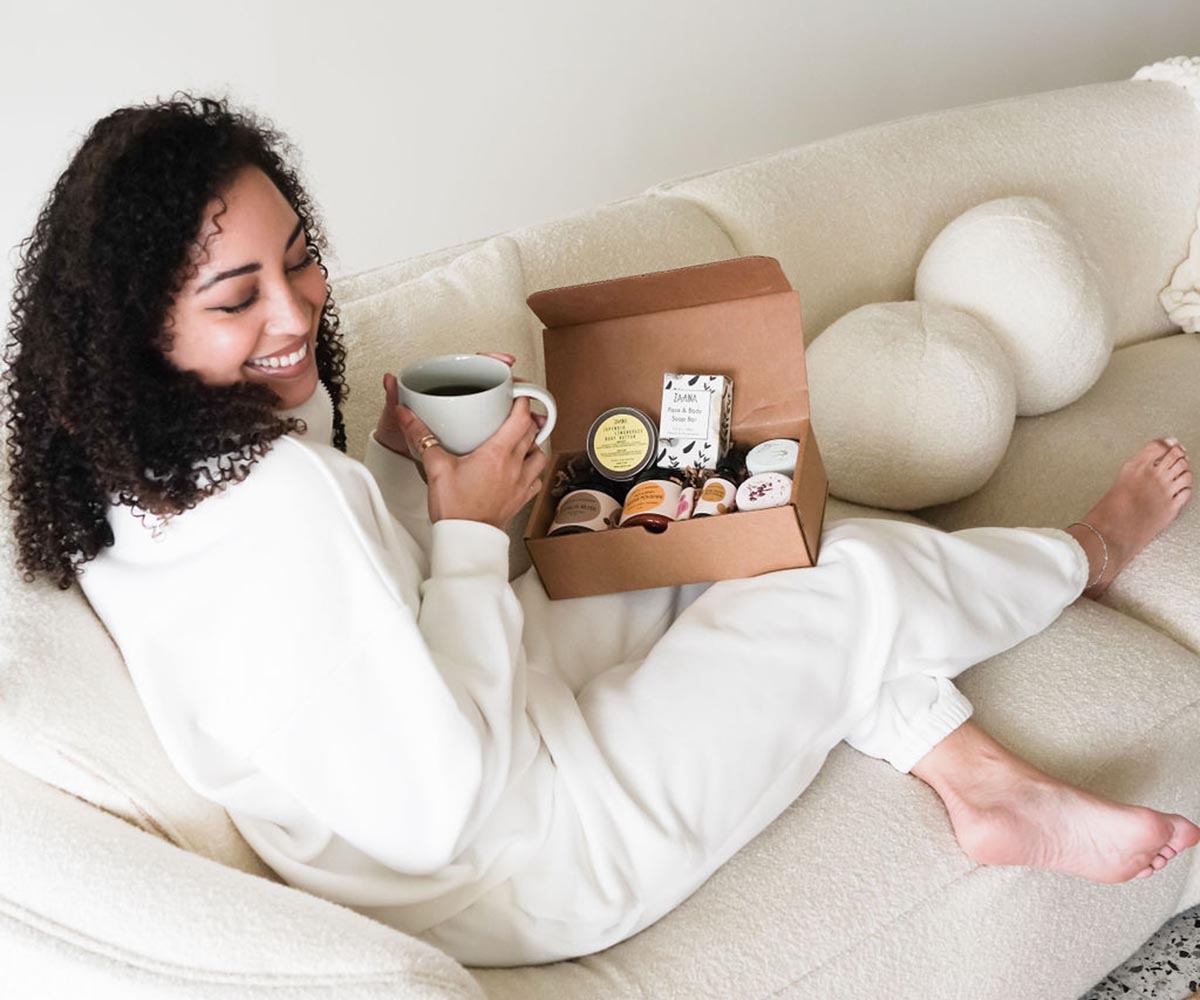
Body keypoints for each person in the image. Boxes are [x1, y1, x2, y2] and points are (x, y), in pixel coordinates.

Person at [4, 96, 1198, 968]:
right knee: (844, 580)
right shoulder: (270, 505)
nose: (297, 310)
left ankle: (976, 778)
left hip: (468, 764)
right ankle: (1086, 552)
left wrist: (422, 474)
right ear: (134, 329)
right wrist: (473, 526)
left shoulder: (144, 470)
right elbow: (441, 800)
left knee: (730, 524)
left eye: (302, 260)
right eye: (237, 296)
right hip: (528, 852)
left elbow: (350, 648)